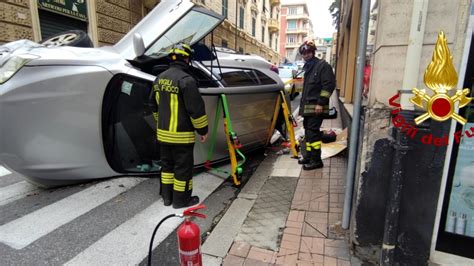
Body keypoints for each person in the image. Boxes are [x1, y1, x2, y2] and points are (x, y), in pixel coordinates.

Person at [151, 42, 208, 208]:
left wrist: (160, 123)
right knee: (182, 170)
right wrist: (202, 130)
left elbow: (153, 106)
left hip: (163, 135)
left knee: (167, 167)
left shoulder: (159, 79)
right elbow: (196, 110)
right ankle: (181, 201)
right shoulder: (187, 80)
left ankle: (167, 198)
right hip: (182, 137)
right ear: (187, 59)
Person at [297, 40, 336, 170]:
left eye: (308, 52)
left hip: (316, 108)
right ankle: (309, 156)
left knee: (313, 133)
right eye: (303, 53)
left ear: (313, 52)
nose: (306, 55)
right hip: (308, 109)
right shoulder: (309, 67)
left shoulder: (322, 66)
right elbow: (307, 90)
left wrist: (321, 103)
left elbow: (328, 85)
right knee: (308, 132)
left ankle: (316, 160)